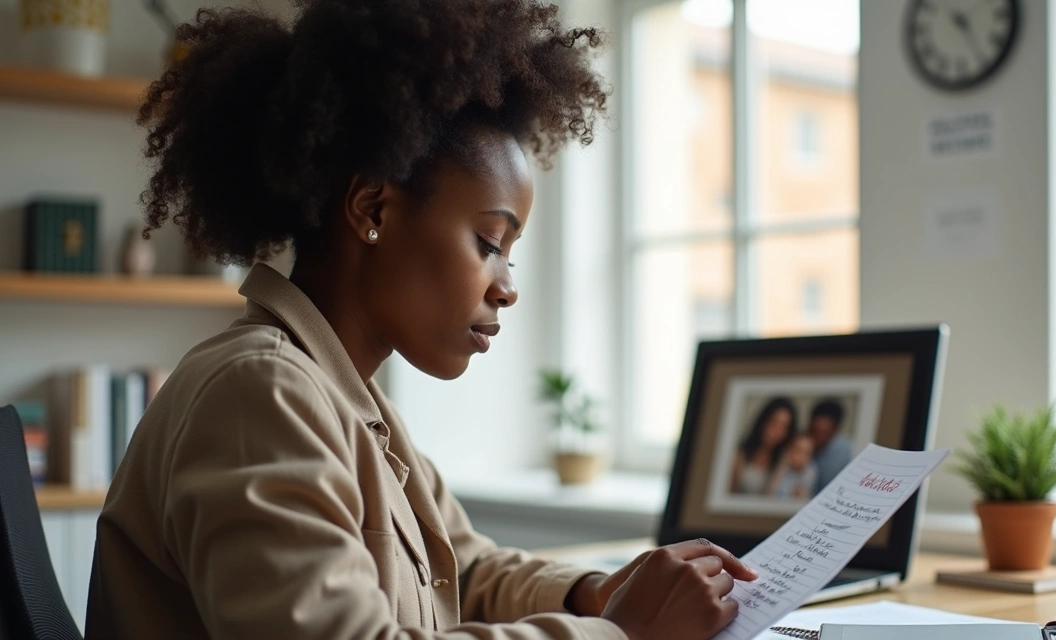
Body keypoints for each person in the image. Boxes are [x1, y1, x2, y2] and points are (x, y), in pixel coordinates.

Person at [84, 3, 757, 639]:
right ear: (372, 210)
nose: (508, 289)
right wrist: (622, 631)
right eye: (491, 244)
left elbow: (464, 566)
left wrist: (597, 593)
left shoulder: (349, 399)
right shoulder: (260, 394)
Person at [730, 396, 796, 495]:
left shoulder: (784, 459)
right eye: (774, 422)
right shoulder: (741, 453)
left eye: (783, 427)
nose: (776, 431)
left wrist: (782, 465)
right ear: (764, 421)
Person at [808, 398, 853, 495]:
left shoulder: (844, 453)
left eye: (824, 433)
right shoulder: (802, 443)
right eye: (814, 431)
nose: (817, 439)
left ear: (836, 430)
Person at [765, 432, 818, 500]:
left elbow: (802, 498)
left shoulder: (810, 471)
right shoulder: (781, 464)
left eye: (807, 453)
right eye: (799, 450)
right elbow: (768, 494)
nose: (802, 456)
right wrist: (783, 466)